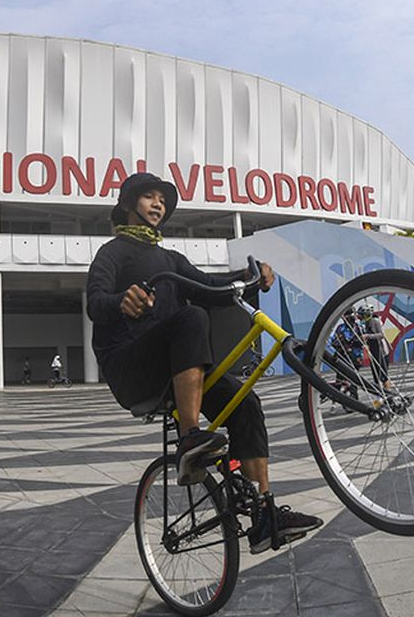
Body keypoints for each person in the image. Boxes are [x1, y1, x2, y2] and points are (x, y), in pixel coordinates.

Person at [87, 171, 322, 554]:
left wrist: (247, 277)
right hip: (130, 367)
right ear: (129, 205)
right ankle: (190, 438)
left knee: (246, 404)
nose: (157, 204)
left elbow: (210, 290)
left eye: (162, 199)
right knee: (191, 318)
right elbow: (95, 302)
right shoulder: (112, 253)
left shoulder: (170, 259)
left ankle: (264, 513)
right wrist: (121, 302)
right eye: (148, 197)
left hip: (176, 366)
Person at [356, 304, 391, 391]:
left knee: (383, 376)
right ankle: (381, 396)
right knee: (376, 376)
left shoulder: (375, 321)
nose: (360, 318)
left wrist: (368, 336)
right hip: (373, 352)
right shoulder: (366, 323)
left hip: (381, 352)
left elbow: (381, 335)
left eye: (361, 316)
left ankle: (388, 394)